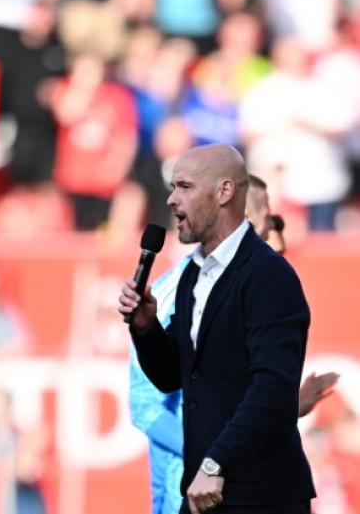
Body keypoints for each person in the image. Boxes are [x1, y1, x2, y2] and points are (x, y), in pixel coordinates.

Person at [119, 144, 315, 514]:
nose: (173, 200)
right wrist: (146, 330)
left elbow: (272, 386)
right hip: (205, 495)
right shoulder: (193, 273)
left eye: (185, 187)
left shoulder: (268, 276)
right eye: (173, 188)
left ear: (225, 192)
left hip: (261, 497)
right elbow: (170, 377)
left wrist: (215, 463)